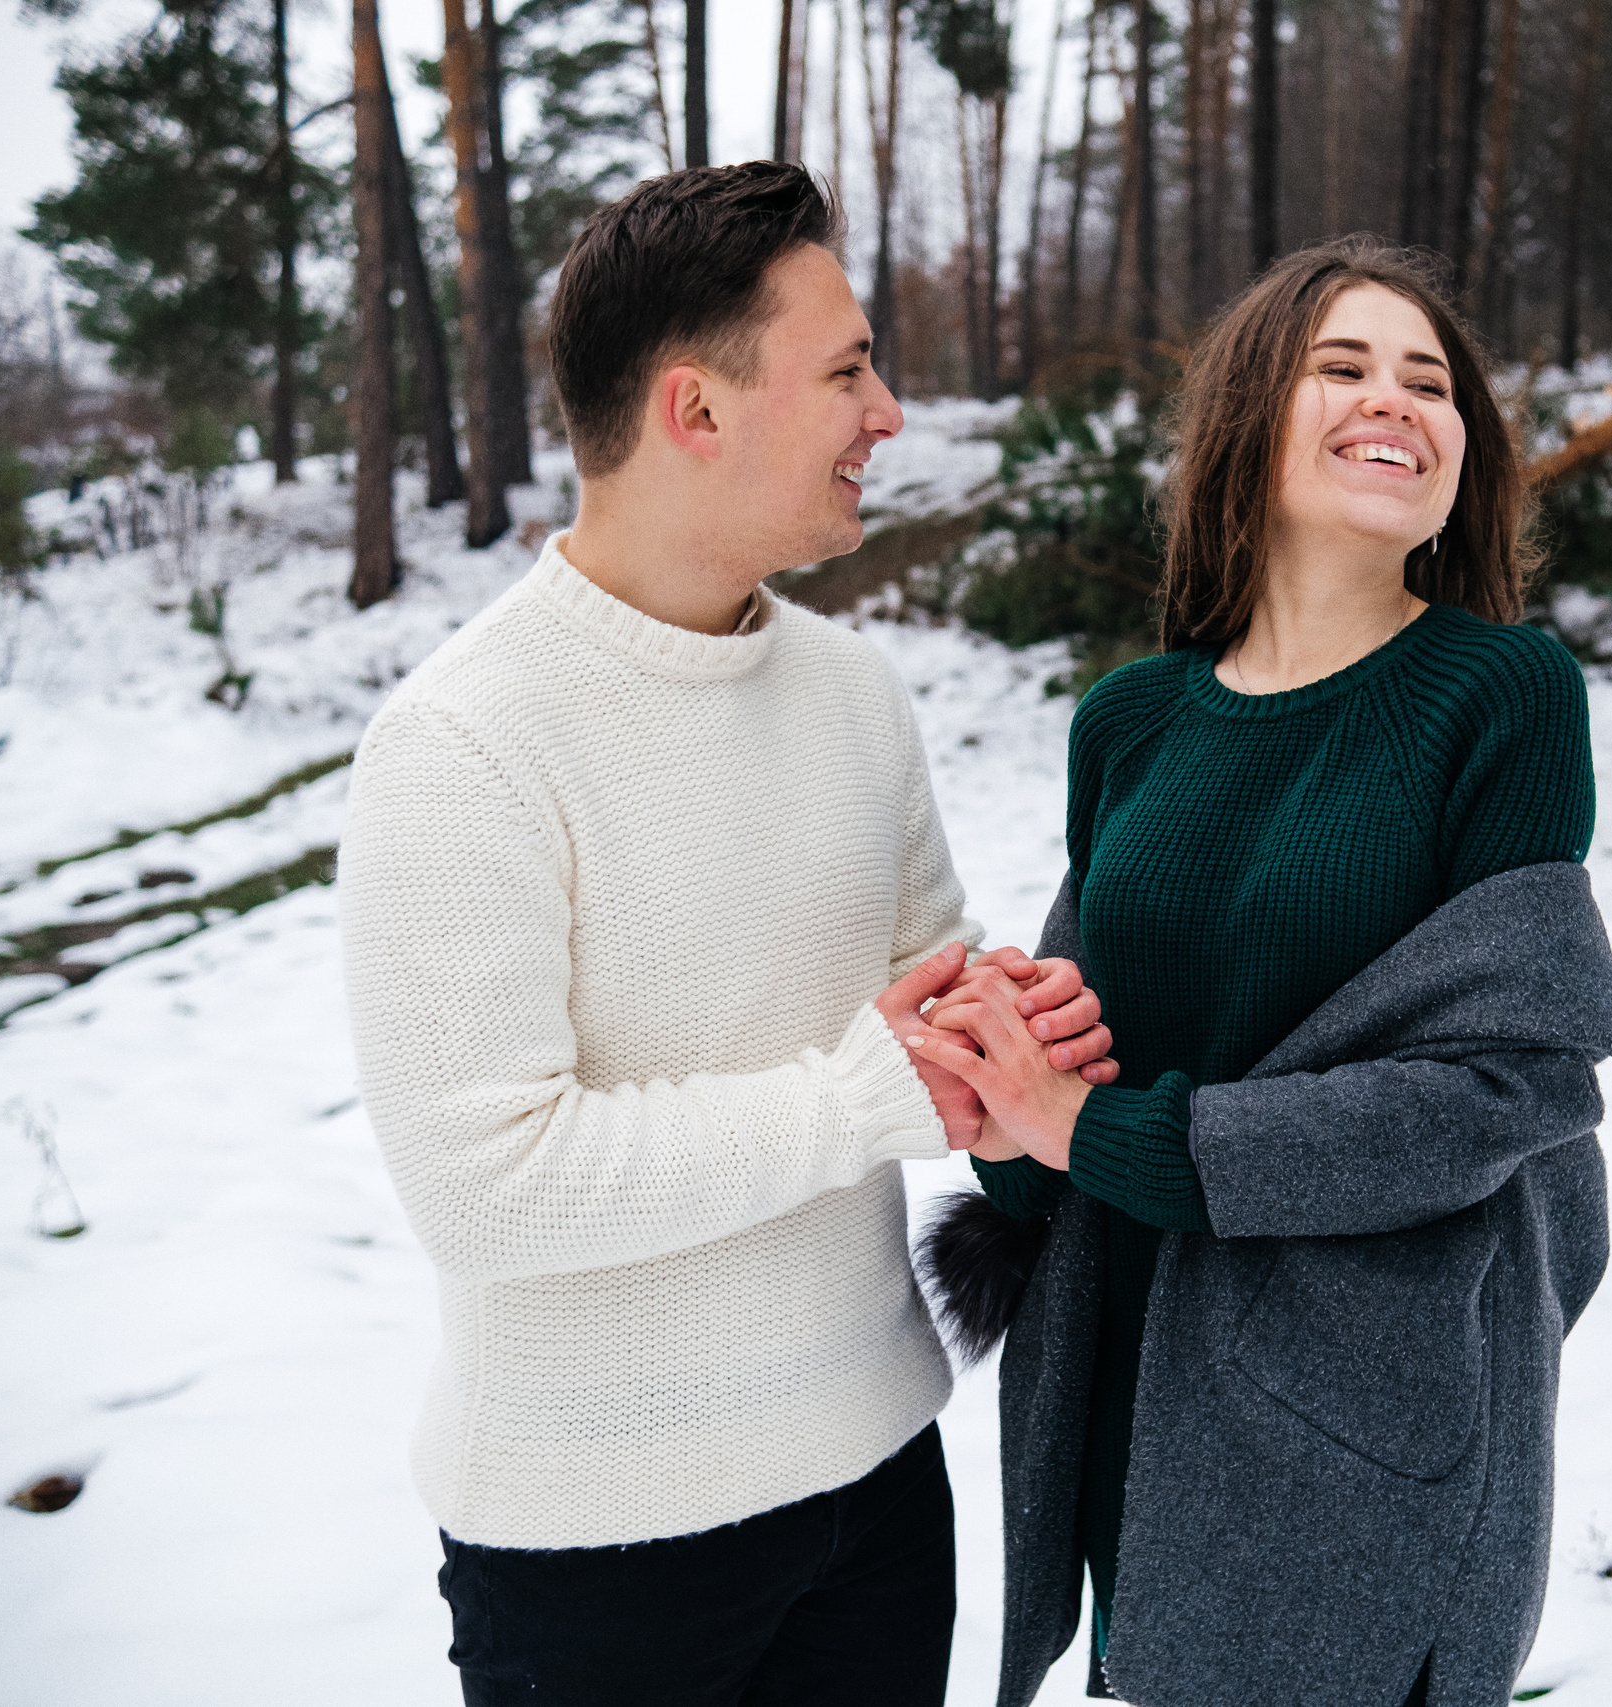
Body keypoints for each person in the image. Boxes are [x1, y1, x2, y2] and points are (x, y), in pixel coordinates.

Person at [336, 163, 1118, 1706]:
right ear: (695, 410)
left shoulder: (854, 693)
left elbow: (920, 1009)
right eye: (847, 373)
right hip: (597, 1555)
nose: (888, 412)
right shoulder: (462, 745)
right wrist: (861, 1097)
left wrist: (1007, 1041)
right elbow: (487, 1187)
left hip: (879, 1483)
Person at [907, 239, 1612, 1707]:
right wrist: (1007, 1113)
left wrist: (1095, 1128)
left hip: (1367, 1407)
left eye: (1431, 383)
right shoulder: (1133, 720)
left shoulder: (1500, 698)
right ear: (1250, 418)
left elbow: (1501, 1090)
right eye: (1344, 366)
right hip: (1133, 1370)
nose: (1398, 401)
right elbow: (1078, 1072)